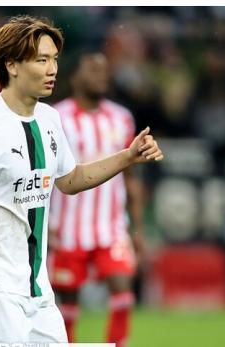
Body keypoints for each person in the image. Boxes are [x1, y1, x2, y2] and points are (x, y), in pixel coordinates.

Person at [0, 15, 163, 346]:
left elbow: (71, 178)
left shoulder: (49, 118)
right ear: (12, 65)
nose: (52, 69)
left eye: (55, 60)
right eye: (41, 60)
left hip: (38, 287)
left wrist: (127, 156)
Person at [49, 51, 147, 346]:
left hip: (111, 225)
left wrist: (138, 229)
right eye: (92, 69)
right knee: (67, 302)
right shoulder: (56, 118)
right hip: (66, 227)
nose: (100, 76)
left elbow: (131, 177)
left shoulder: (121, 118)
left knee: (123, 288)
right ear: (75, 76)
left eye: (104, 71)